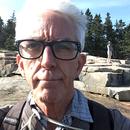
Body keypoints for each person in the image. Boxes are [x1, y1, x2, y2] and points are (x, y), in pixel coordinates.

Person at [0, 0, 130, 130]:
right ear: (21, 65)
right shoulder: (4, 121)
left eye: (63, 47)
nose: (47, 61)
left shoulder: (115, 124)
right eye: (33, 46)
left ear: (79, 64)